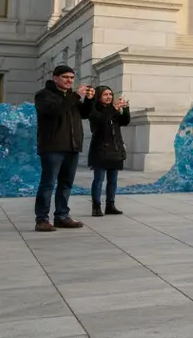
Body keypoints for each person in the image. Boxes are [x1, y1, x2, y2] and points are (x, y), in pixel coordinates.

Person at [33, 65, 90, 232]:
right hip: (52, 146)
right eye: (66, 77)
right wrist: (74, 96)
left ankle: (62, 216)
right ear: (55, 77)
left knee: (66, 183)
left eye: (72, 78)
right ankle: (42, 219)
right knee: (48, 183)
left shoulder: (70, 97)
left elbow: (85, 114)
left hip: (72, 146)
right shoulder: (44, 95)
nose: (69, 81)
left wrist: (89, 99)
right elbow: (56, 110)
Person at [83, 86, 129, 217]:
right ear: (99, 96)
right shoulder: (94, 110)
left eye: (110, 94)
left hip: (115, 148)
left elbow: (125, 121)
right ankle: (96, 206)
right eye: (105, 94)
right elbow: (102, 122)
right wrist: (114, 110)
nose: (109, 97)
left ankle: (110, 205)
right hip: (100, 149)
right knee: (99, 179)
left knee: (113, 180)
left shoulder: (113, 111)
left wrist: (125, 108)